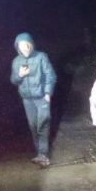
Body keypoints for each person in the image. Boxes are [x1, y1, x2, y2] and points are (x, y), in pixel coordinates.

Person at [10, 32, 58, 167]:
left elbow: (50, 75)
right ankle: (40, 154)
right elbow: (13, 80)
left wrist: (48, 92)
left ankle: (43, 154)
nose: (25, 48)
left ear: (31, 44)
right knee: (33, 126)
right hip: (27, 99)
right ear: (18, 47)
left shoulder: (41, 57)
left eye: (27, 44)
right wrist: (20, 75)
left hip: (42, 97)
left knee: (43, 124)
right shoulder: (16, 61)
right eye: (22, 45)